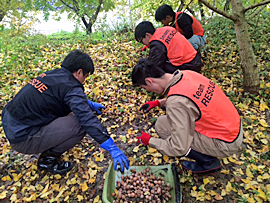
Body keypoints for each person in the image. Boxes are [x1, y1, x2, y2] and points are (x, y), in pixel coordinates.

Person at [2, 49, 129, 175]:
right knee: (79, 124)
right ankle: (48, 160)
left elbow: (59, 95)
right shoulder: (72, 87)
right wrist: (111, 147)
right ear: (79, 72)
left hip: (11, 124)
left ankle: (48, 145)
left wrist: (88, 103)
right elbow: (86, 119)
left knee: (73, 114)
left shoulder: (54, 74)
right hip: (23, 137)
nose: (84, 80)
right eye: (85, 76)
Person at [132, 59, 243, 174]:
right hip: (234, 127)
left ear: (149, 81)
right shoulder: (186, 74)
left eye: (145, 88)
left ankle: (208, 162)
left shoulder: (175, 103)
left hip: (226, 143)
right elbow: (189, 97)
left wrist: (149, 141)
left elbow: (178, 147)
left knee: (162, 126)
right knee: (167, 122)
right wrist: (158, 103)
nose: (149, 91)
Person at [135, 21, 202, 74]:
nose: (143, 44)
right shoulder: (167, 29)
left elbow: (155, 65)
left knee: (158, 68)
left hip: (189, 67)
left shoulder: (157, 44)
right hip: (196, 59)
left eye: (141, 41)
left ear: (147, 35)